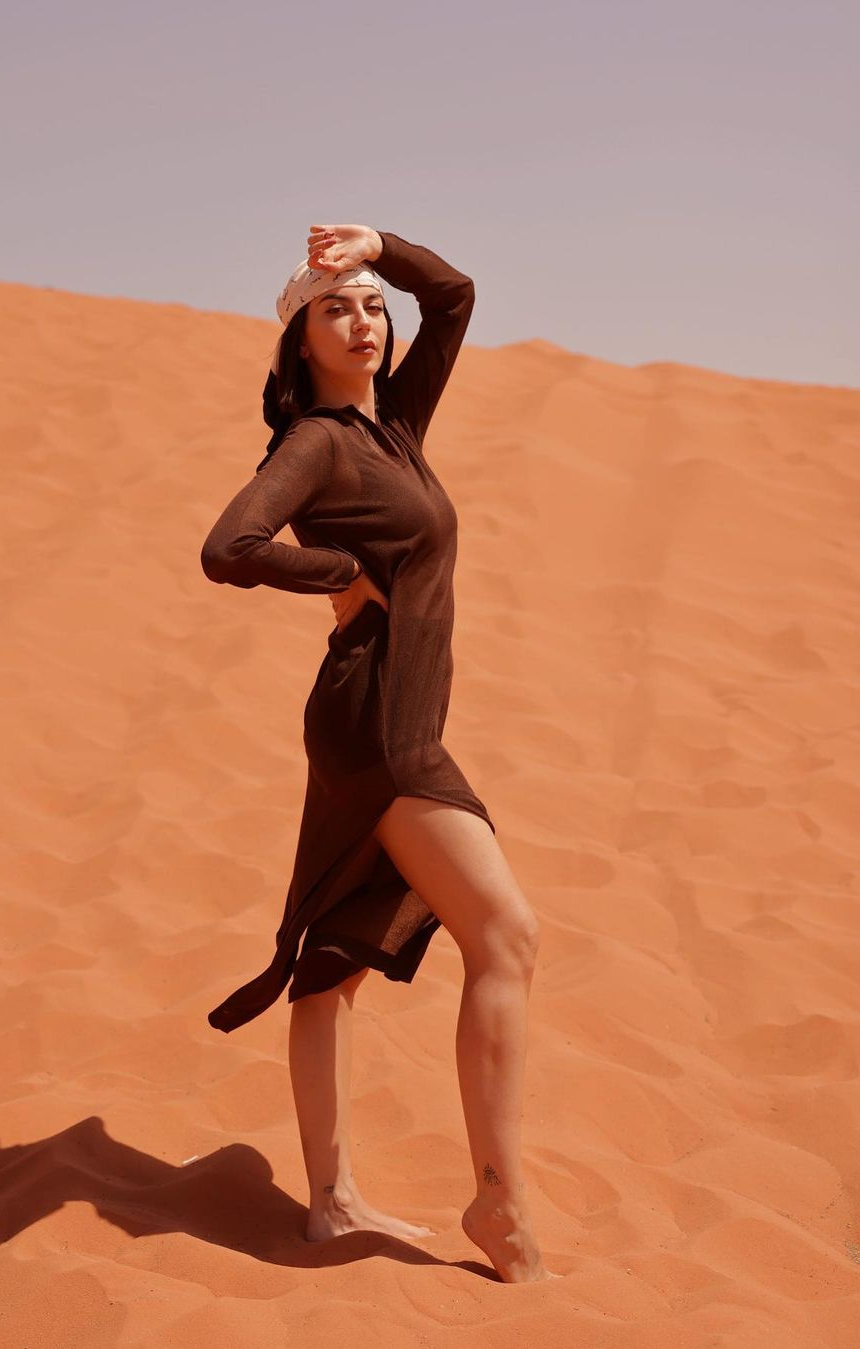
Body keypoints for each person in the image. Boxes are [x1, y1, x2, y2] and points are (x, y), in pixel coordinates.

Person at [200, 224, 555, 1283]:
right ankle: (499, 1200)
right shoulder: (317, 443)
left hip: (393, 719)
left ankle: (330, 1201)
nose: (362, 320)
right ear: (300, 341)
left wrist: (379, 244)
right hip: (381, 729)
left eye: (369, 304)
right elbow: (228, 547)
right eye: (335, 308)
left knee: (331, 967)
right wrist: (338, 572)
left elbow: (454, 297)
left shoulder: (394, 426)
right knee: (506, 932)